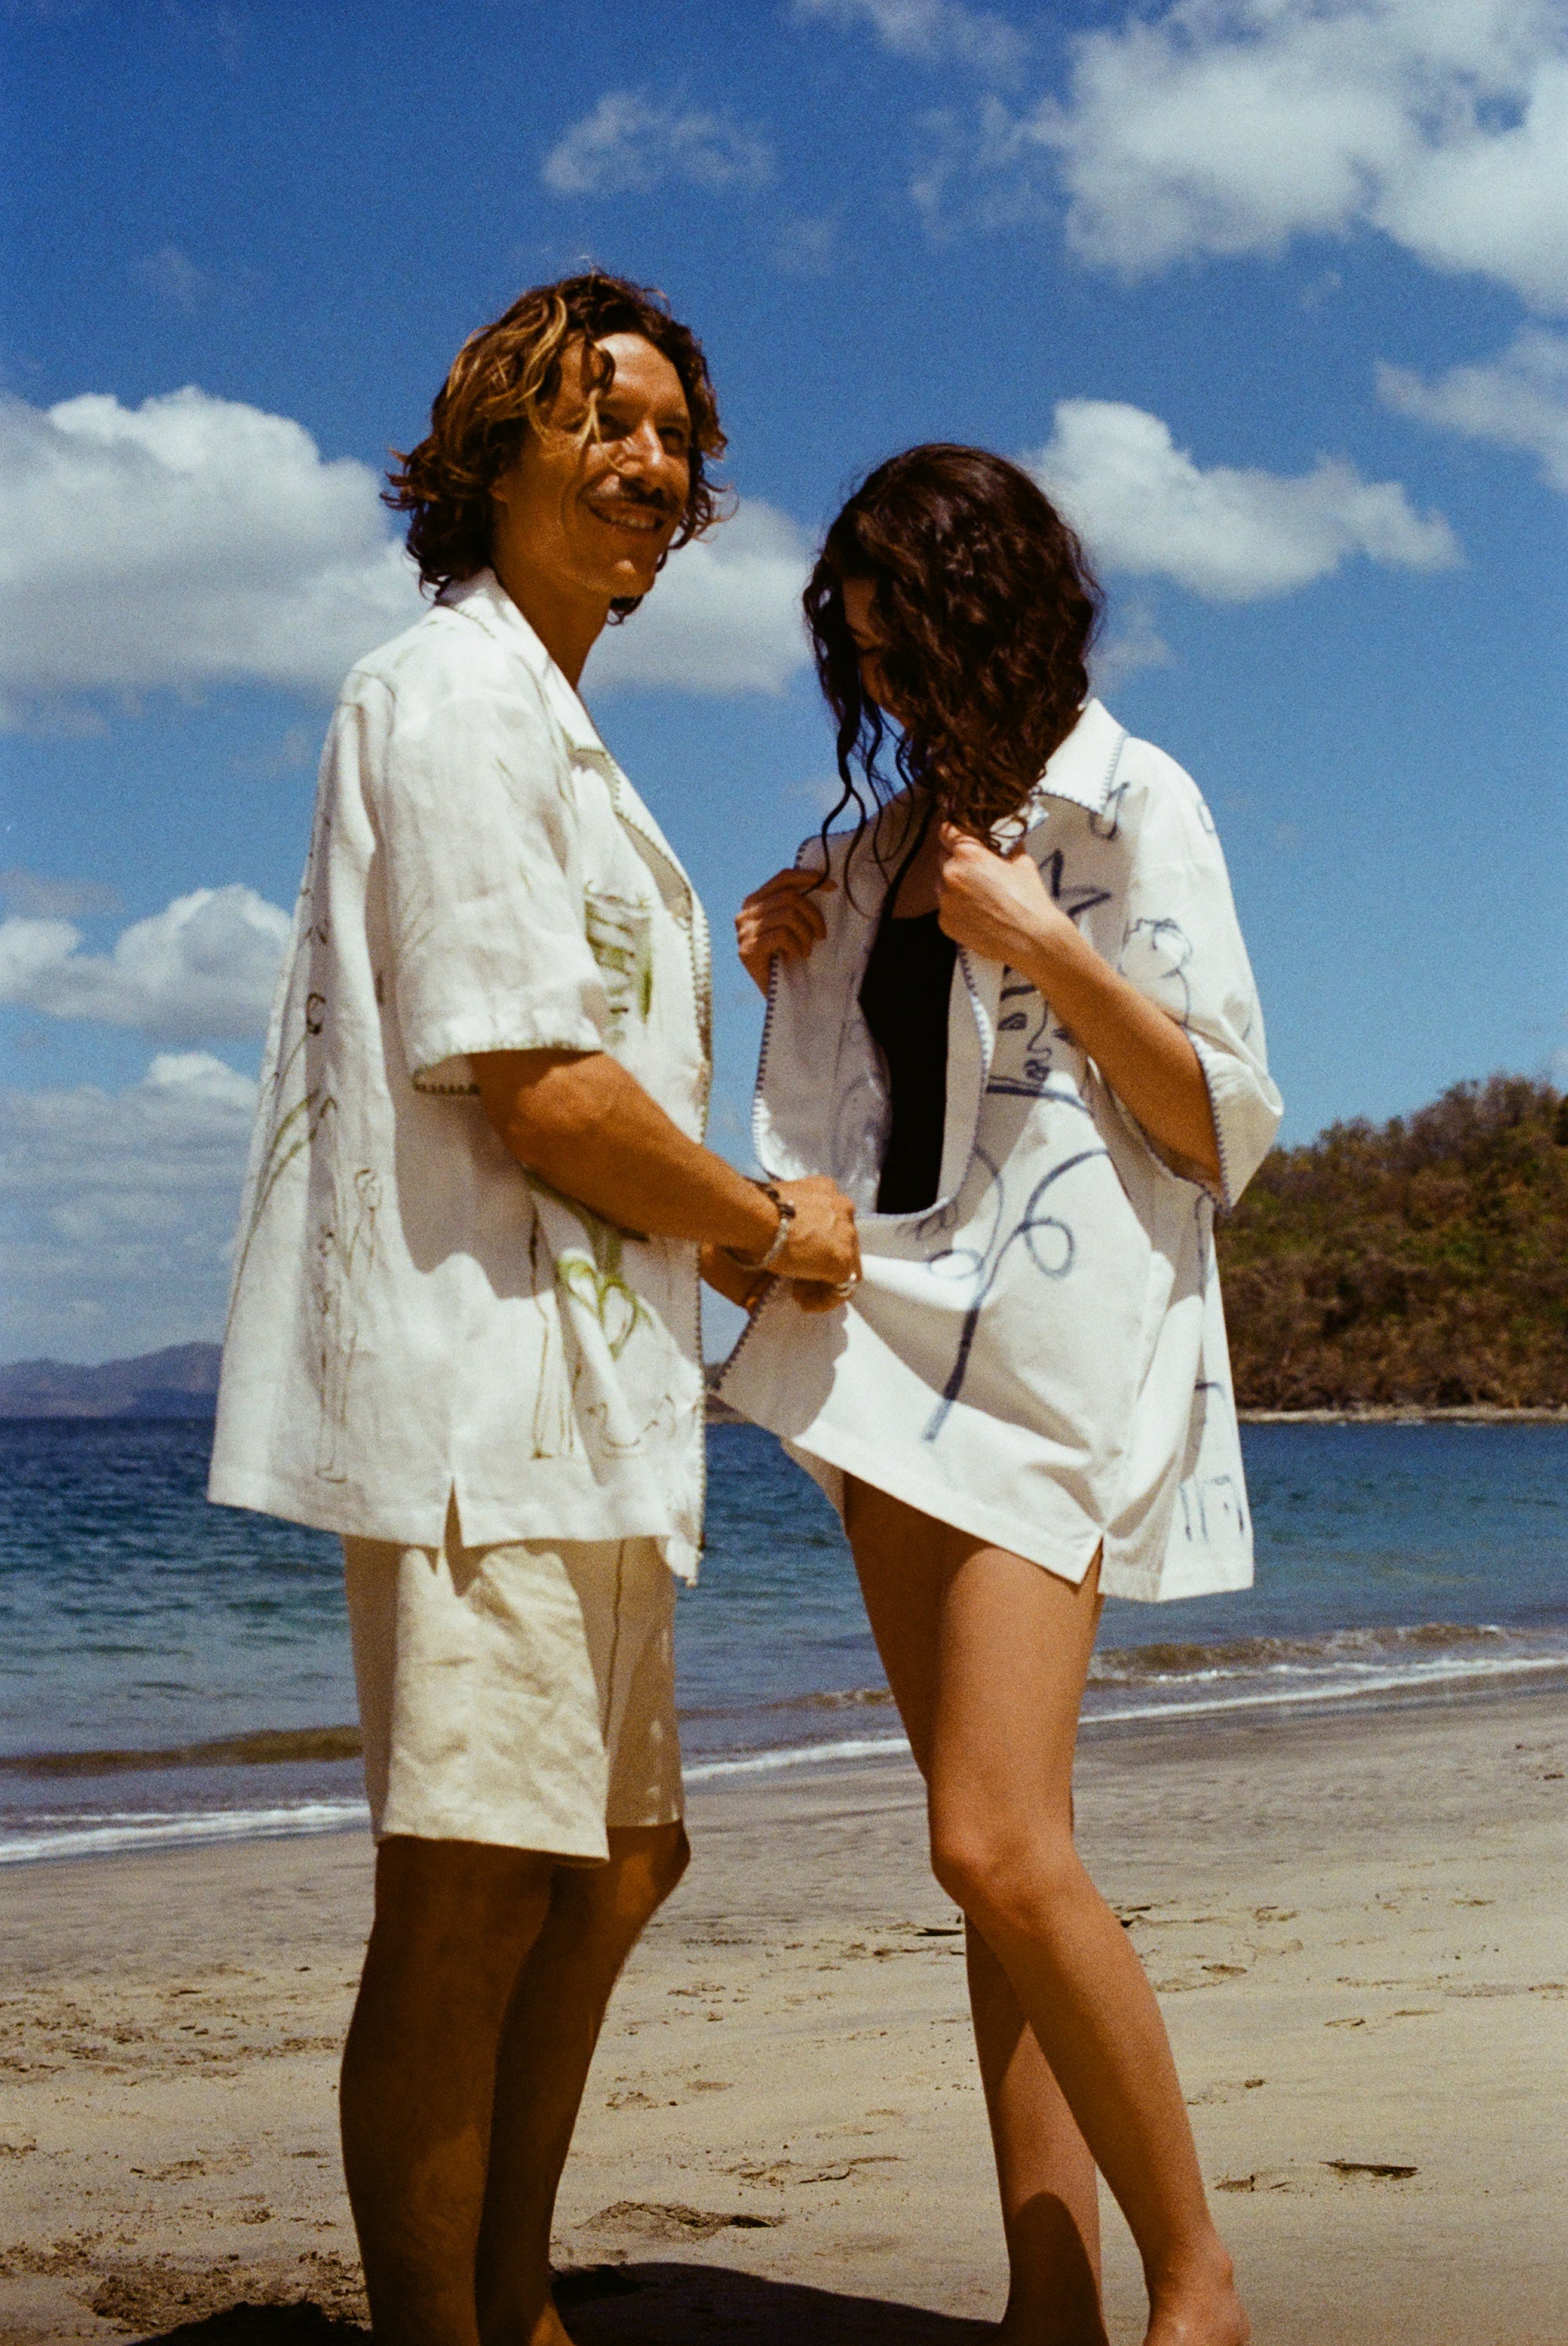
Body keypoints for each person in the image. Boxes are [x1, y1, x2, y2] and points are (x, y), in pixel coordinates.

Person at [207, 271, 858, 2346]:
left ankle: (511, 2296)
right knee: (477, 1880)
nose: (651, 462)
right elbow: (541, 1085)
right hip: (477, 1384)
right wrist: (773, 1229)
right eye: (600, 418)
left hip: (592, 1393)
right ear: (489, 448)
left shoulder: (563, 730)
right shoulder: (453, 695)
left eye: (677, 434)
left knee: (615, 1864)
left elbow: (604, 1057)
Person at [716, 445, 1281, 2346]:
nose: (882, 691)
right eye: (858, 659)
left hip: (1052, 1363)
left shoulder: (1134, 804)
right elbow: (833, 1125)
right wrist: (779, 959)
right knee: (994, 1847)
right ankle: (1049, 2286)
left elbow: (1221, 1122)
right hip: (889, 1337)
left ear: (999, 615)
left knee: (993, 1840)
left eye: (908, 647)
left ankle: (1193, 2282)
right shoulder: (876, 851)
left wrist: (1041, 935)